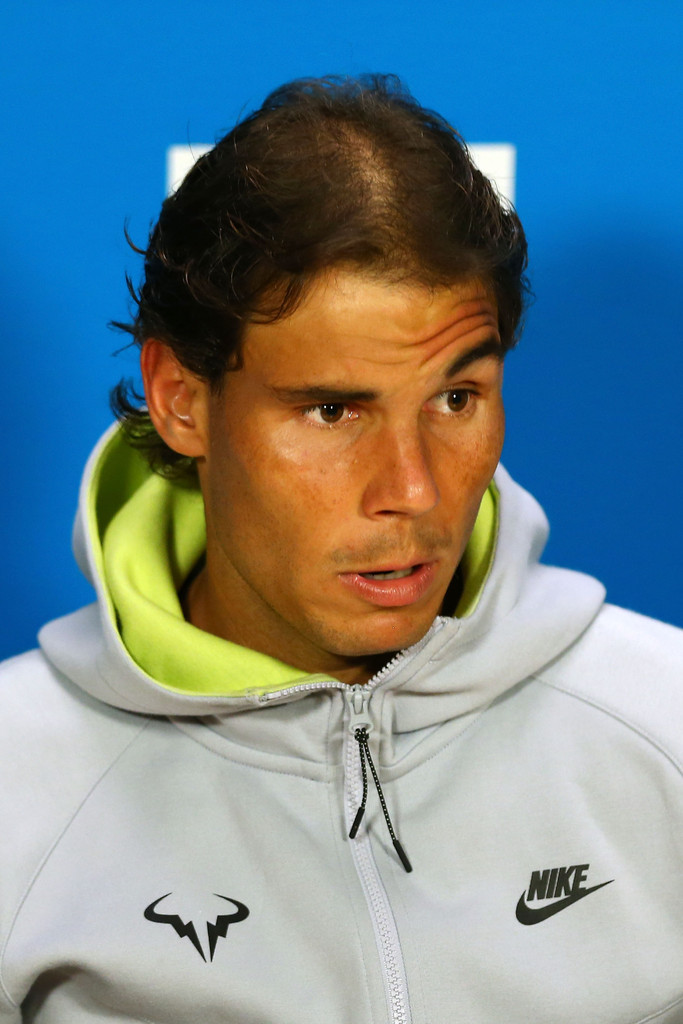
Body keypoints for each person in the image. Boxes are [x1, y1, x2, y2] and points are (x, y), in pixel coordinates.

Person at [1, 74, 682, 1024]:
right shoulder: (14, 777)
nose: (411, 491)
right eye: (330, 410)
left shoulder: (665, 724)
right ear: (181, 398)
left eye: (455, 399)